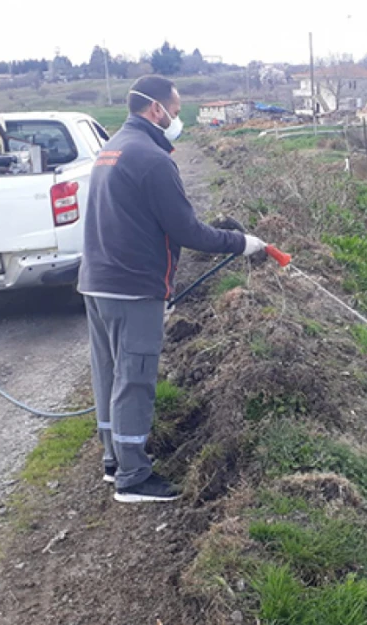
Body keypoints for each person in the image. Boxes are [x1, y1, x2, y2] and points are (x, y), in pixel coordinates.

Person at [78, 75, 266, 503]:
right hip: (132, 286)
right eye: (176, 113)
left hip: (98, 282)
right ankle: (133, 478)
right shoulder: (152, 158)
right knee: (135, 378)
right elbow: (185, 231)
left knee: (108, 373)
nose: (177, 121)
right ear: (155, 109)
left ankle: (113, 461)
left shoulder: (113, 148)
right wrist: (242, 244)